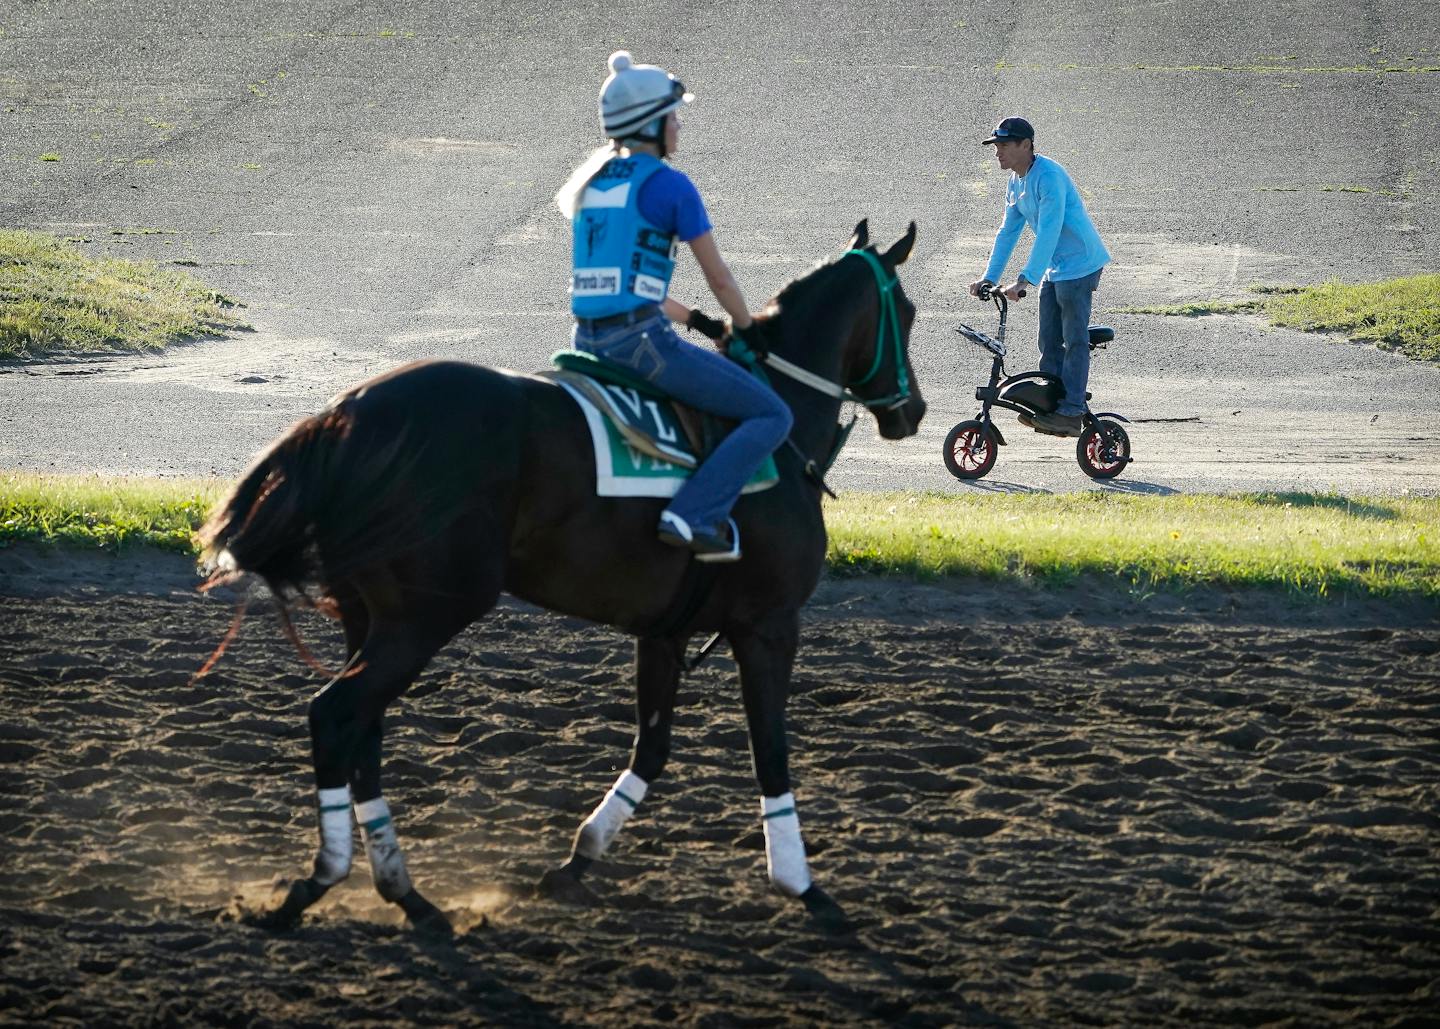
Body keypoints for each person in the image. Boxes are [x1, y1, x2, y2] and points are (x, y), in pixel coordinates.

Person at [556, 51, 791, 561]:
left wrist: (702, 322)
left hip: (586, 342)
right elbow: (719, 276)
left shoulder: (592, 184)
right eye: (673, 116)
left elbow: (631, 284)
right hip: (641, 345)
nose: (678, 126)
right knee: (771, 413)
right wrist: (746, 327)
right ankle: (694, 515)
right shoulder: (669, 185)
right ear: (651, 124)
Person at [969, 117, 1111, 437]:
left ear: (1026, 145)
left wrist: (1025, 279)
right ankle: (1051, 403)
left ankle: (1072, 410)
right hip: (1056, 267)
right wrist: (988, 278)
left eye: (1004, 145)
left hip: (1081, 264)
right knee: (1048, 339)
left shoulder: (1048, 177)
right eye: (996, 146)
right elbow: (1008, 232)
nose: (998, 152)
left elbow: (1049, 231)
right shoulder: (1017, 182)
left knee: (1073, 339)